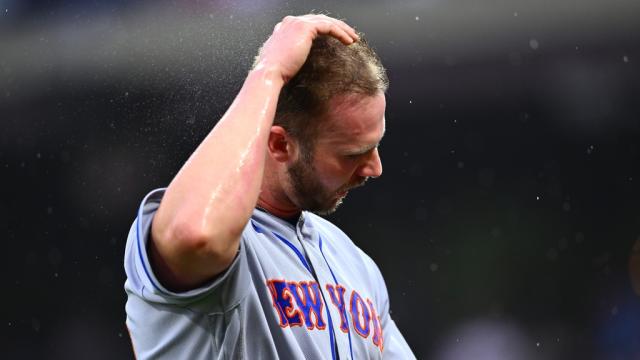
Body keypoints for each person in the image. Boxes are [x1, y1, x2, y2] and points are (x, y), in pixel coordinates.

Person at [124, 14, 415, 359]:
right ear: (278, 145)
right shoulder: (209, 236)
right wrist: (269, 72)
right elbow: (195, 235)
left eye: (375, 146)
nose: (374, 168)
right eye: (352, 154)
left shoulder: (354, 263)